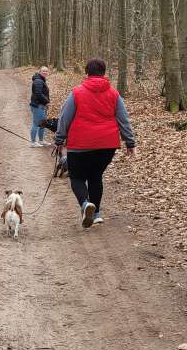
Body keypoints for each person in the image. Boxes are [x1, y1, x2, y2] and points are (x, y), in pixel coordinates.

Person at [54, 58, 135, 228]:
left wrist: (60, 138)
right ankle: (96, 214)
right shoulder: (114, 94)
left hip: (80, 144)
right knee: (96, 177)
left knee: (77, 177)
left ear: (86, 72)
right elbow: (123, 119)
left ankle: (85, 204)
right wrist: (129, 142)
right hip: (107, 145)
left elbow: (64, 117)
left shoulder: (77, 92)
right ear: (104, 72)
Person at [29, 66, 50, 147]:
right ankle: (33, 142)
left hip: (42, 105)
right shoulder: (38, 81)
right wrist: (46, 102)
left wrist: (45, 103)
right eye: (43, 71)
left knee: (43, 123)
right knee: (36, 123)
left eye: (46, 71)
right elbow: (38, 94)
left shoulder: (41, 80)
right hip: (38, 106)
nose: (45, 72)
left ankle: (41, 140)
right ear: (40, 71)